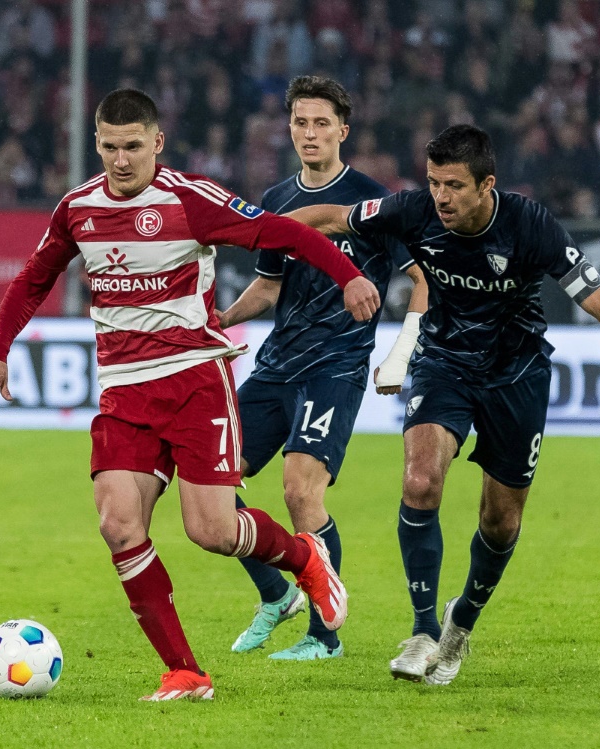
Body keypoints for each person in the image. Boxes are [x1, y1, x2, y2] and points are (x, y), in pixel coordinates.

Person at [0, 89, 381, 701]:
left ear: (156, 143)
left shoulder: (190, 201)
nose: (120, 159)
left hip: (194, 384)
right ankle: (185, 672)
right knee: (117, 524)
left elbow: (280, 233)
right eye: (109, 147)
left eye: (133, 146)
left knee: (211, 531)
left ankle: (304, 560)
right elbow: (33, 278)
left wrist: (348, 274)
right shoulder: (78, 209)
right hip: (123, 394)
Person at [284, 124, 600, 686]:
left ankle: (461, 624)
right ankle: (423, 629)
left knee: (500, 523)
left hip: (517, 375)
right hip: (444, 365)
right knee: (419, 481)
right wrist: (251, 229)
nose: (441, 197)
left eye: (454, 185)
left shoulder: (530, 226)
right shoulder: (412, 211)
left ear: (487, 184)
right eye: (434, 182)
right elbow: (331, 216)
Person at [217, 76, 427, 661]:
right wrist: (226, 319)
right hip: (276, 365)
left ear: (342, 130)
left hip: (334, 366)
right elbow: (268, 285)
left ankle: (324, 636)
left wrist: (400, 353)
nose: (309, 133)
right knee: (210, 481)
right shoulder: (277, 197)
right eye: (300, 123)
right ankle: (274, 593)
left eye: (320, 123)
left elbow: (422, 280)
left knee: (299, 490)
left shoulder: (373, 200)